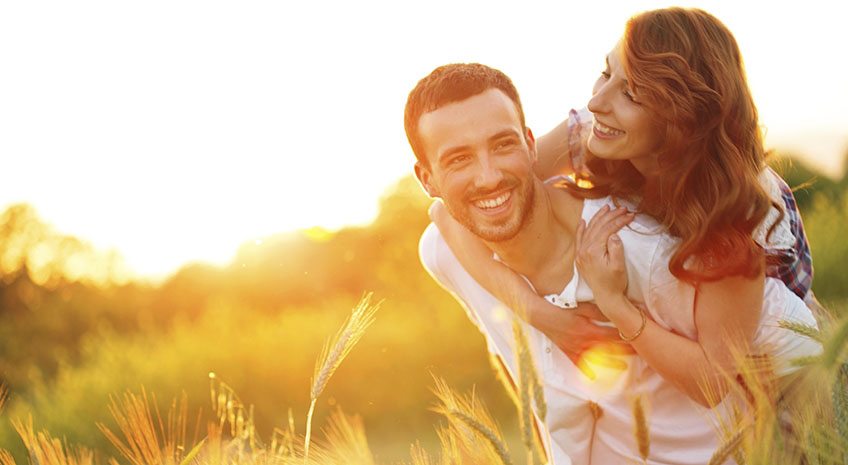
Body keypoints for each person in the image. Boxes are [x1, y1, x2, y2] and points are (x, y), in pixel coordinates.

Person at [407, 8, 821, 465]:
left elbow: (715, 379)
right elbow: (458, 210)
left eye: (632, 92)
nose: (598, 101)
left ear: (680, 115)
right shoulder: (587, 134)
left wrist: (616, 304)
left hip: (792, 377)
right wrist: (544, 316)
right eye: (605, 73)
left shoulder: (734, 217)